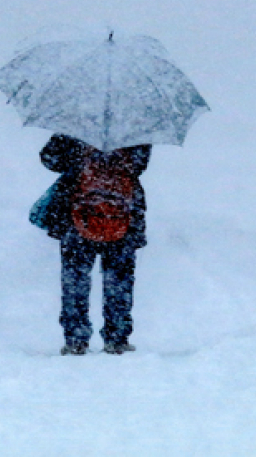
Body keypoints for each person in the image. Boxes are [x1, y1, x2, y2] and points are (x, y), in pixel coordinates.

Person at [40, 133, 151, 355]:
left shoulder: (75, 126)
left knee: (75, 280)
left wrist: (76, 157)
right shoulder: (136, 128)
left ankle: (75, 339)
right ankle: (117, 338)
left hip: (77, 214)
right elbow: (138, 166)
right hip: (122, 215)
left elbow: (49, 159)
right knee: (119, 280)